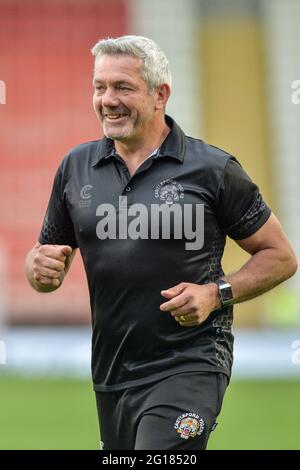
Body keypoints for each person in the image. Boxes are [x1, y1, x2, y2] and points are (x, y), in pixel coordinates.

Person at [25, 35, 297, 450]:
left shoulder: (213, 169)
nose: (107, 100)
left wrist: (216, 293)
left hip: (190, 364)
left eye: (122, 87)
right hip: (112, 370)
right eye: (99, 87)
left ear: (159, 95)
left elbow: (280, 256)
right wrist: (38, 268)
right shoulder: (75, 168)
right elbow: (45, 264)